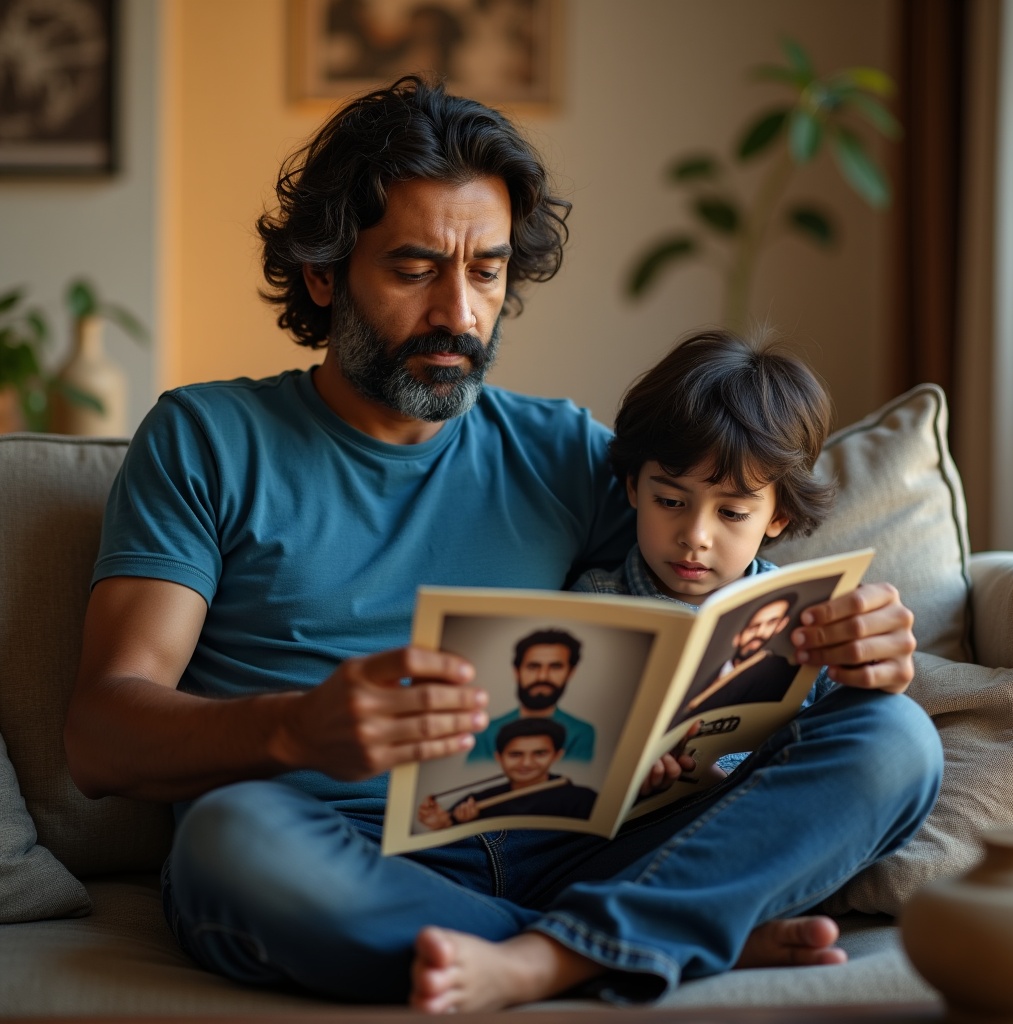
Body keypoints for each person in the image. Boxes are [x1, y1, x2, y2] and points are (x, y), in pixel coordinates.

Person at [61, 76, 940, 1014]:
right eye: (413, 270)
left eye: (486, 270)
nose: (460, 313)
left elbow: (713, 576)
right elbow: (101, 735)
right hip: (332, 847)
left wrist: (846, 645)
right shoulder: (207, 438)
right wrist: (293, 726)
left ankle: (566, 949)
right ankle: (638, 938)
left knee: (895, 740)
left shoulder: (562, 450)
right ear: (324, 274)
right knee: (228, 842)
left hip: (573, 842)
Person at [418, 718, 597, 829]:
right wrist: (445, 825)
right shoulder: (475, 801)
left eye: (539, 753)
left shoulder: (583, 799)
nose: (526, 763)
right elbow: (447, 825)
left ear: (557, 755)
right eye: (515, 754)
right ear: (499, 757)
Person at [466, 628, 595, 763]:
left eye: (555, 667)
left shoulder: (580, 733)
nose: (542, 676)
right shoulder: (487, 732)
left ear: (570, 672)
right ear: (516, 671)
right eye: (533, 666)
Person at [676, 592, 801, 722]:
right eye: (753, 627)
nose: (760, 633)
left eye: (771, 623)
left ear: (781, 625)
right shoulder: (704, 673)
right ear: (737, 636)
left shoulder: (779, 671)